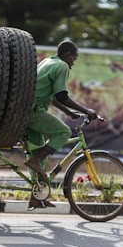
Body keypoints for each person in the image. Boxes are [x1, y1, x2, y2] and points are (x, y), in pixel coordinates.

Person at [25, 40, 97, 210]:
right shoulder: (62, 66)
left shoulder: (47, 61)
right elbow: (63, 96)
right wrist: (87, 110)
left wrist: (69, 112)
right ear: (67, 55)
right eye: (74, 59)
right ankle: (36, 160)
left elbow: (54, 97)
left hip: (25, 110)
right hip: (34, 112)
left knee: (38, 151)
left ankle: (36, 197)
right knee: (63, 132)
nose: (73, 63)